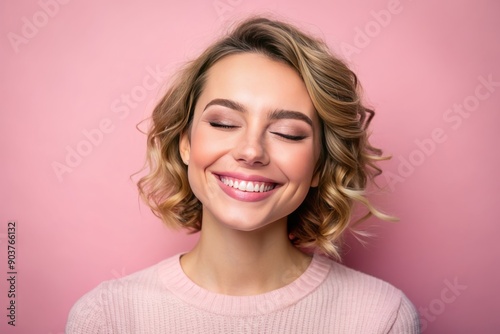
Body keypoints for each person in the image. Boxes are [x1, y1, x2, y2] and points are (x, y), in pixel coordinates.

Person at [66, 16, 420, 333]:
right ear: (186, 143)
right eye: (223, 123)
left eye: (288, 132)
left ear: (319, 165)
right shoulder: (107, 317)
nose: (251, 151)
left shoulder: (380, 317)